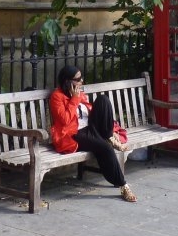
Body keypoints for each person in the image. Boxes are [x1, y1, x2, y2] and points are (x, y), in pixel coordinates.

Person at [49, 65, 137, 202]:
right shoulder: (57, 97)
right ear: (67, 81)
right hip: (75, 133)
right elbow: (64, 120)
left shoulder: (79, 93)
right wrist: (74, 99)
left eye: (81, 78)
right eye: (78, 79)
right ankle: (123, 185)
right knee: (105, 148)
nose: (81, 81)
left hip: (90, 126)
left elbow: (89, 110)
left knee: (103, 100)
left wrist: (110, 128)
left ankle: (109, 136)